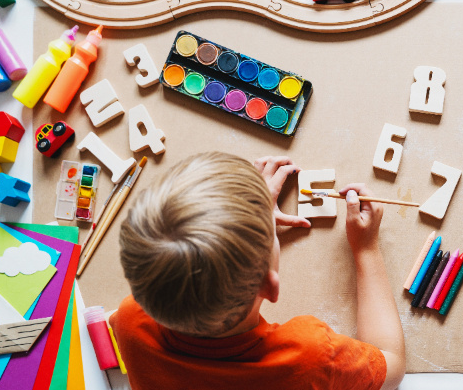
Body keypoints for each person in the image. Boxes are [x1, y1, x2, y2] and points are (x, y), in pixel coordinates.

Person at [110, 152, 405, 389]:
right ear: (270, 286)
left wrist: (244, 231)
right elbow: (391, 365)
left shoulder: (129, 321)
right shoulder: (310, 358)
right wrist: (366, 249)